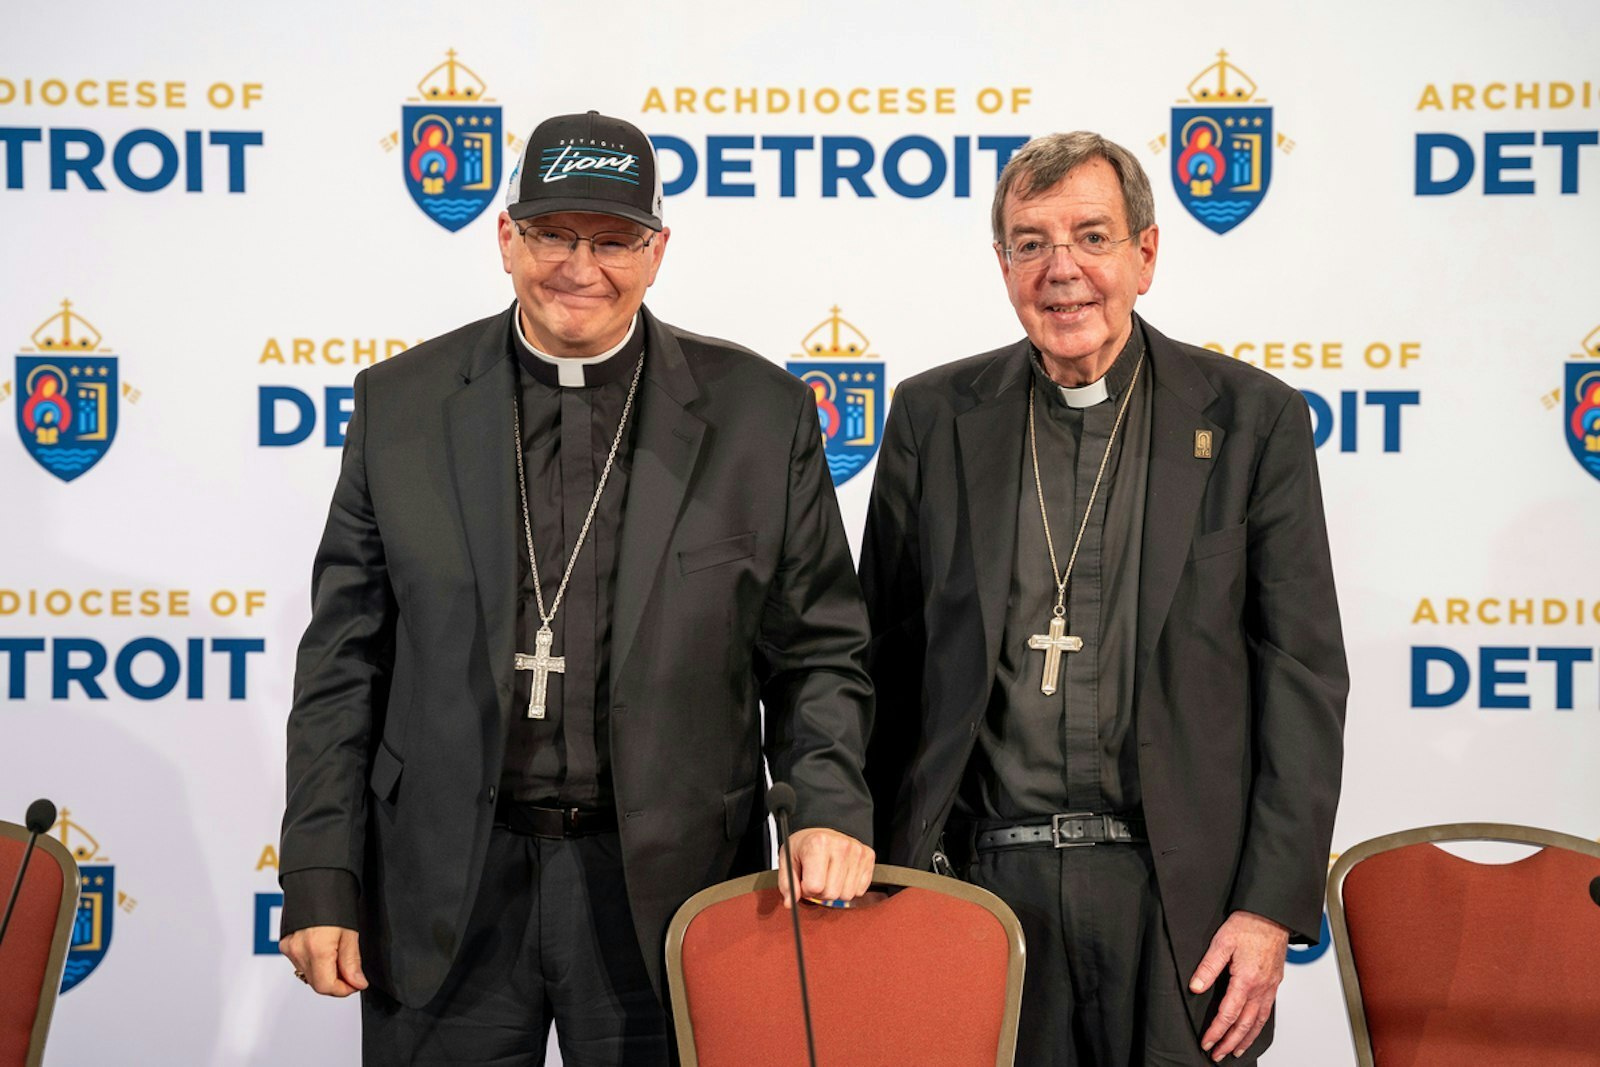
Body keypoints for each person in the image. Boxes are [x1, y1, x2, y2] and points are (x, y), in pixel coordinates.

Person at [279, 109, 875, 1065]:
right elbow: (343, 663)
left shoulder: (760, 415)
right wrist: (317, 867)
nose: (579, 266)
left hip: (669, 892)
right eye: (554, 234)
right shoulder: (400, 406)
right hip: (443, 891)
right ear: (506, 236)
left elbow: (818, 651)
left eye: (613, 240)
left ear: (658, 250)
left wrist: (829, 805)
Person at [859, 131, 1347, 1065]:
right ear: (1001, 263)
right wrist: (886, 880)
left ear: (1147, 254)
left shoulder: (1251, 419)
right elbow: (881, 660)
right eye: (1031, 242)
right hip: (980, 887)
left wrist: (1265, 907)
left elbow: (1301, 677)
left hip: (1180, 902)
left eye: (1092, 236)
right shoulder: (932, 418)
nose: (1062, 270)